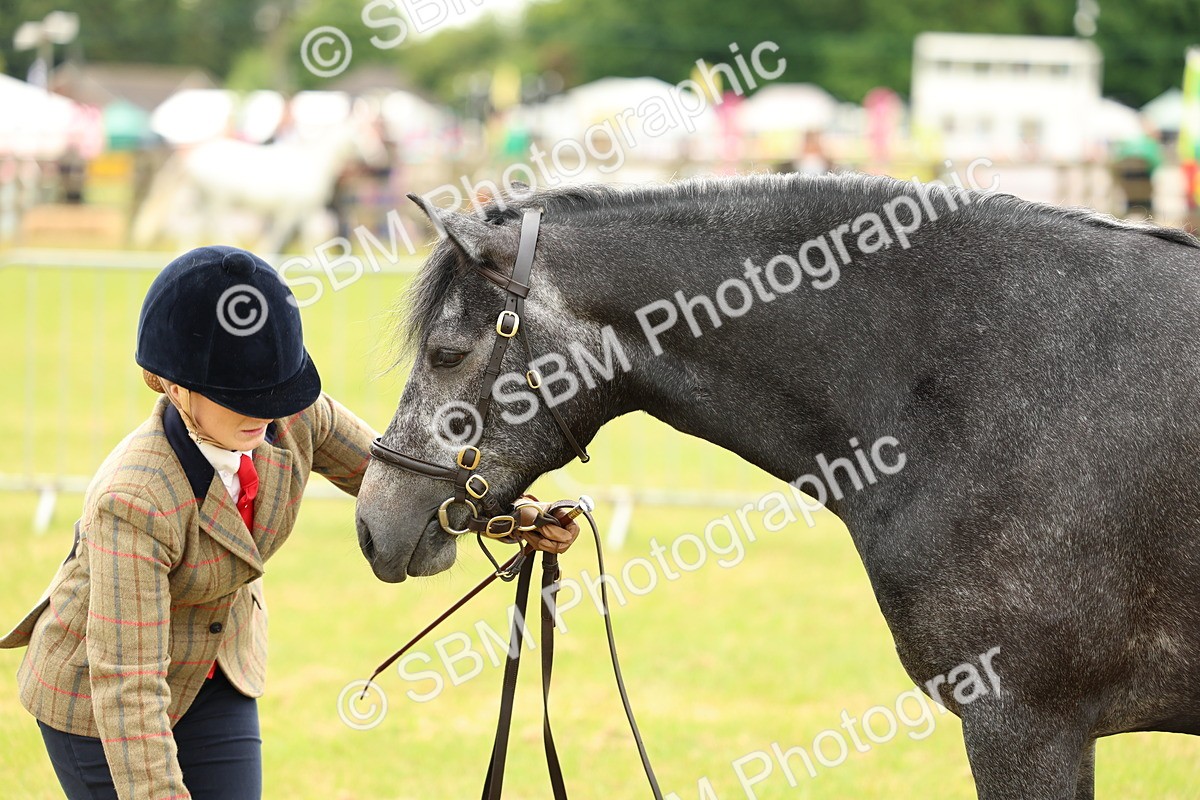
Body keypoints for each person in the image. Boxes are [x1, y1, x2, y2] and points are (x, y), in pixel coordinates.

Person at [0, 245, 579, 800]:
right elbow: (129, 687)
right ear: (173, 386)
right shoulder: (132, 500)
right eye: (240, 396)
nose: (266, 411)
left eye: (274, 391)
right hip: (102, 703)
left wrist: (516, 518)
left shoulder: (297, 417)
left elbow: (402, 482)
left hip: (219, 671)